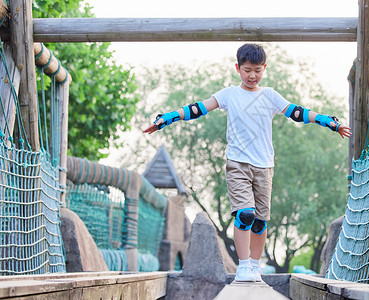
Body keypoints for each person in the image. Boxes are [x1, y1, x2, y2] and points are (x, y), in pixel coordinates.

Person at [143, 43, 352, 282]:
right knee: (245, 214)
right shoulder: (229, 94)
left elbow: (297, 112)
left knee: (261, 221)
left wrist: (329, 122)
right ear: (238, 68)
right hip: (238, 164)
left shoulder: (270, 96)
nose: (252, 75)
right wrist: (167, 118)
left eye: (258, 70)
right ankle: (243, 266)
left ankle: (255, 265)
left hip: (264, 166)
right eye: (247, 70)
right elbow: (198, 108)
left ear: (265, 68)